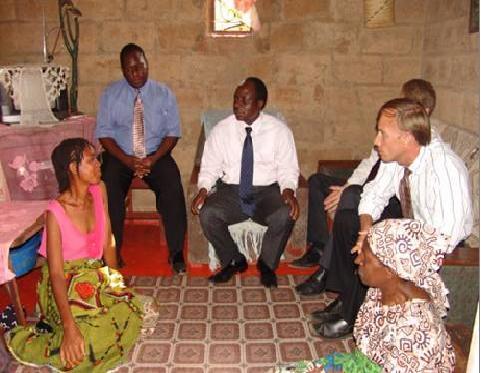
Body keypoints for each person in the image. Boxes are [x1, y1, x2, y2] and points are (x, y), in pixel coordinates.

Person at [312, 98, 472, 339]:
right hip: (413, 227)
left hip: (443, 246)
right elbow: (374, 193)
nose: (376, 142)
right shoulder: (399, 155)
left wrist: (386, 244)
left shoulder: (444, 171)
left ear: (407, 137)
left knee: (376, 247)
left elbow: (445, 237)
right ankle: (349, 298)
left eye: (382, 134)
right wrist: (365, 231)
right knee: (349, 222)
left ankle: (352, 314)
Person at [5, 138, 144, 372]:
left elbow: (108, 240)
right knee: (84, 340)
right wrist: (69, 327)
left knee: (130, 309)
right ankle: (30, 341)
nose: (99, 164)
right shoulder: (55, 213)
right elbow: (57, 274)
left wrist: (116, 282)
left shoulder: (100, 190)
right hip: (66, 282)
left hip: (94, 274)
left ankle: (75, 335)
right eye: (91, 160)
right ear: (72, 167)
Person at [294, 79, 436, 297]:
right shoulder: (392, 133)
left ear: (425, 111)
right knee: (316, 181)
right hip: (366, 189)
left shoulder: (420, 143)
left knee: (350, 198)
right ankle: (319, 246)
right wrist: (348, 186)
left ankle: (325, 269)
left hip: (389, 203)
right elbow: (368, 165)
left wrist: (349, 192)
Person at [284, 219, 455, 372]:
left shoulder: (415, 333)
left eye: (365, 258)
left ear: (390, 270)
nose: (358, 261)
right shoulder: (381, 289)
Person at [191, 77, 300, 288]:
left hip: (267, 192)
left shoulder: (279, 132)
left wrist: (288, 190)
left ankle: (267, 264)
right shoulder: (221, 130)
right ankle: (233, 259)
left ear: (260, 104)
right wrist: (203, 188)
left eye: (244, 100)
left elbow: (288, 168)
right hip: (232, 191)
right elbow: (210, 165)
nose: (237, 104)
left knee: (286, 213)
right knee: (208, 213)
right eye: (235, 98)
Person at [95, 43, 187, 273]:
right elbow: (104, 133)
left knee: (172, 185)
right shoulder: (110, 94)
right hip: (121, 156)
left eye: (140, 66)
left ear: (147, 64)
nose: (136, 72)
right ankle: (112, 253)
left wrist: (153, 159)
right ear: (122, 70)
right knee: (109, 188)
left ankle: (176, 253)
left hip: (155, 154)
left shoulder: (164, 93)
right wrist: (126, 159)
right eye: (130, 69)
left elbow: (173, 133)